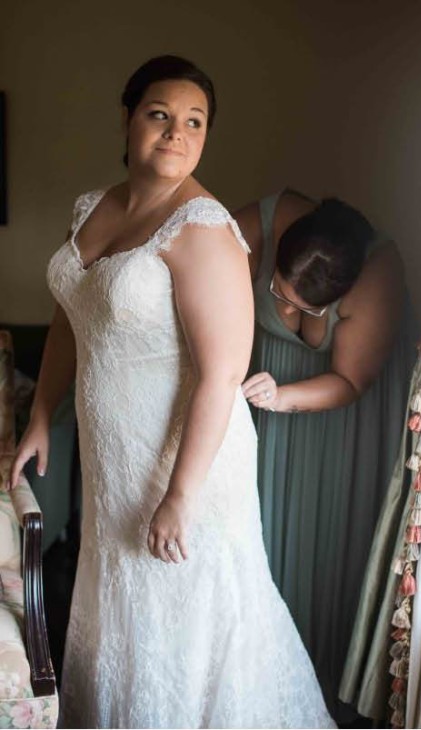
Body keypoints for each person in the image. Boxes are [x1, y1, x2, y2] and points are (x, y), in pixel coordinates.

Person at [9, 56, 334, 727]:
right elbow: (76, 313)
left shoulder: (204, 230)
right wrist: (42, 413)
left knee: (187, 616)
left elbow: (222, 374)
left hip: (186, 461)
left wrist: (180, 495)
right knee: (123, 603)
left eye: (195, 121)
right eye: (160, 115)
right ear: (128, 119)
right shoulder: (92, 208)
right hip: (114, 458)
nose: (176, 133)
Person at [232, 189, 415, 715]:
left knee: (317, 545)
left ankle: (308, 698)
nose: (286, 308)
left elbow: (351, 380)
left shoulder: (377, 273)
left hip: (335, 420)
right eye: (278, 293)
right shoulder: (270, 219)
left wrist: (282, 397)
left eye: (303, 307)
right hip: (261, 407)